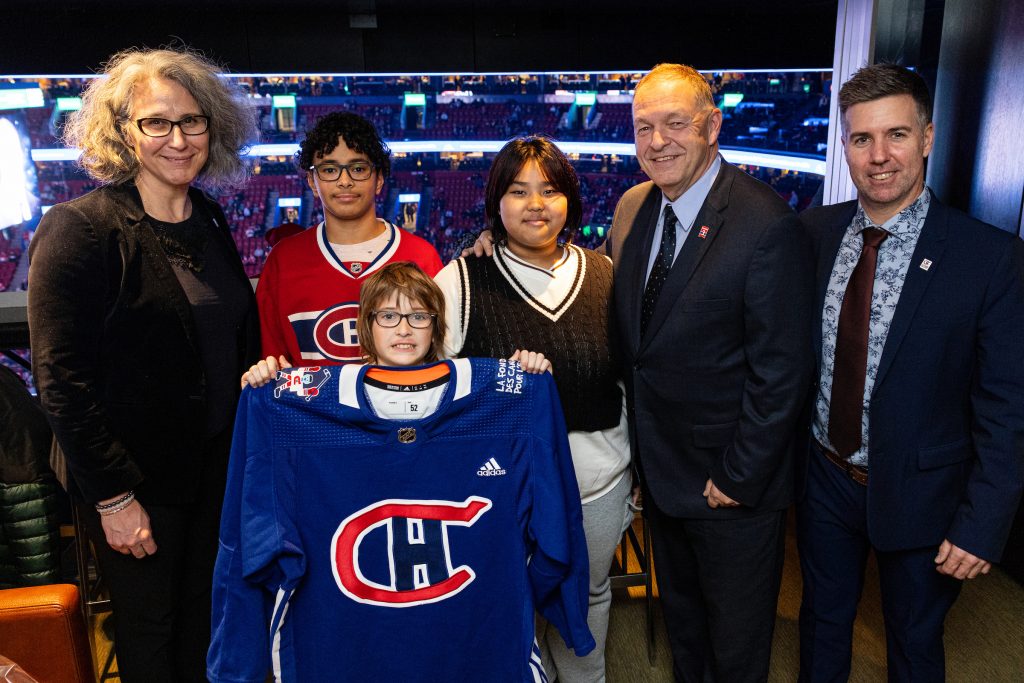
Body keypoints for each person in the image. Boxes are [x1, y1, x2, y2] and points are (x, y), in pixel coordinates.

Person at [209, 262, 593, 681]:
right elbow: (245, 545)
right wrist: (265, 387)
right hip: (350, 650)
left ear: (436, 326)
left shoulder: (505, 399)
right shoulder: (294, 410)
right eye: (388, 316)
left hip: (471, 646)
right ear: (366, 326)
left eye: (418, 316)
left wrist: (531, 378)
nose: (404, 329)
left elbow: (558, 526)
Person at [28, 47, 260, 682]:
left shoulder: (209, 219)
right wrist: (114, 497)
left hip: (212, 475)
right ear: (122, 133)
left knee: (204, 628)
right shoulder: (80, 228)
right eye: (156, 122)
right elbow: (62, 382)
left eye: (192, 121)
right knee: (151, 639)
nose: (178, 139)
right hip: (137, 487)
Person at [797, 63, 1024, 682]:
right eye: (861, 139)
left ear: (927, 137)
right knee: (820, 626)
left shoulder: (989, 257)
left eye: (896, 135)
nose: (878, 156)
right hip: (824, 479)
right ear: (843, 145)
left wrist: (981, 525)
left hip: (927, 496)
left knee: (914, 646)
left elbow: (1009, 407)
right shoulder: (815, 232)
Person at [605, 63, 813, 682]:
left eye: (675, 123)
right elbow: (641, 343)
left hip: (731, 491)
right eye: (644, 127)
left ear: (713, 125)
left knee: (736, 648)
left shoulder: (765, 223)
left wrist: (738, 477)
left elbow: (783, 372)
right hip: (663, 480)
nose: (658, 141)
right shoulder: (634, 206)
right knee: (686, 634)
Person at [435, 136, 631, 682]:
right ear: (496, 202)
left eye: (550, 190)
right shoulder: (460, 280)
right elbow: (429, 387)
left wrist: (641, 472)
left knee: (589, 598)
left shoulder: (607, 275)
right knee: (502, 606)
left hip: (597, 483)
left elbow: (630, 381)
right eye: (519, 191)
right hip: (495, 491)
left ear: (570, 198)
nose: (536, 204)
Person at [256, 112, 443, 367]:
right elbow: (271, 365)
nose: (345, 181)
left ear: (379, 179)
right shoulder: (284, 260)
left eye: (358, 168)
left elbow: (442, 358)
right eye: (330, 169)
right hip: (313, 408)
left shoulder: (422, 256)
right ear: (312, 181)